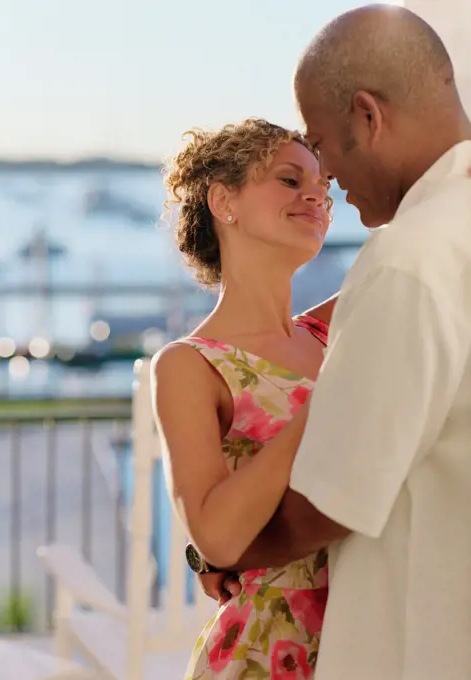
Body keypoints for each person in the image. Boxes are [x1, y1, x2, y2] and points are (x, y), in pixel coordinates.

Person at [198, 5, 471, 679]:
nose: (322, 179)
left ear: (367, 117)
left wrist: (227, 552)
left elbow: (333, 497)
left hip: (420, 645)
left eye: (318, 145)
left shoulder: (410, 255)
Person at [152, 118, 339, 679]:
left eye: (325, 188)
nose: (316, 196)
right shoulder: (190, 365)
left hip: (368, 635)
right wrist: (328, 407)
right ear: (223, 201)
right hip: (264, 650)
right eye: (289, 179)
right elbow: (217, 537)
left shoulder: (341, 328)